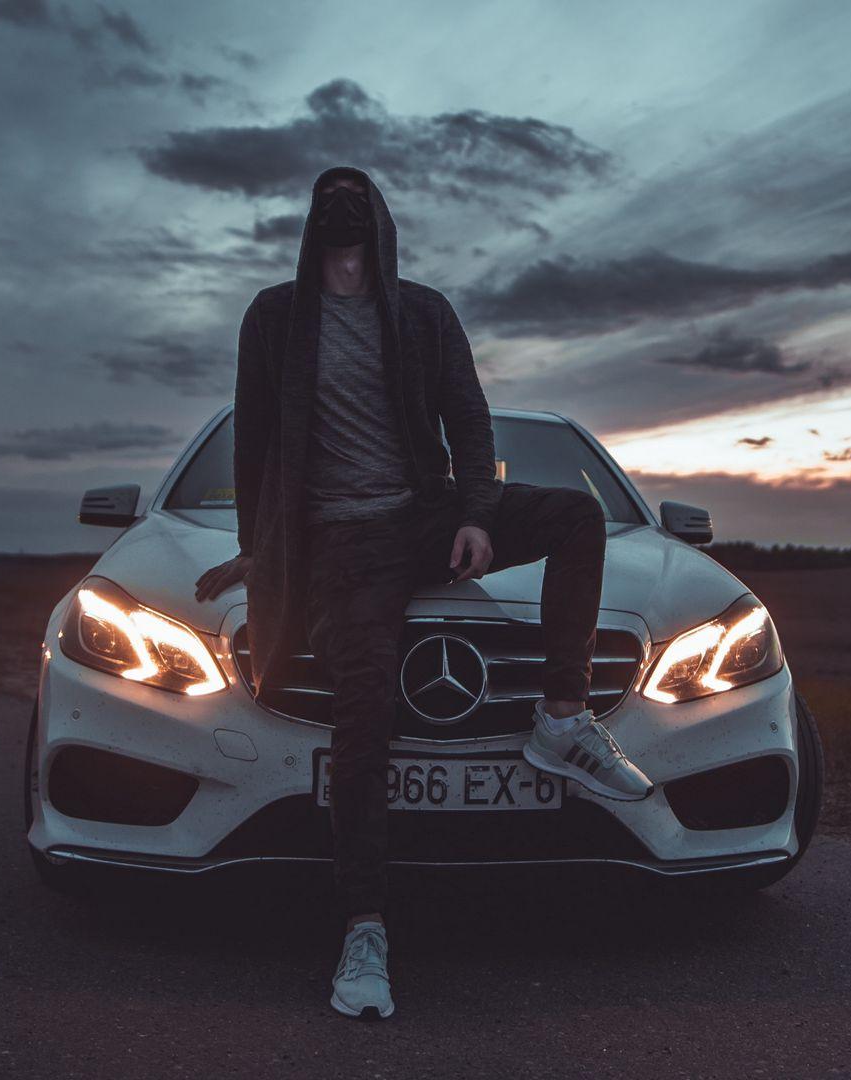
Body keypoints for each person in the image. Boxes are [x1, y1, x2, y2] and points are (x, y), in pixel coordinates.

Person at [190, 165, 654, 1020]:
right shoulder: (274, 317)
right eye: (329, 199)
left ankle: (561, 718)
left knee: (575, 517)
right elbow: (255, 439)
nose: (342, 211)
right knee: (365, 715)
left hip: (425, 515)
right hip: (341, 544)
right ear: (313, 224)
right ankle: (364, 932)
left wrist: (474, 514)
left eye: (355, 198)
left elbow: (469, 419)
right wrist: (262, 552)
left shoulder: (423, 313)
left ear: (379, 221)